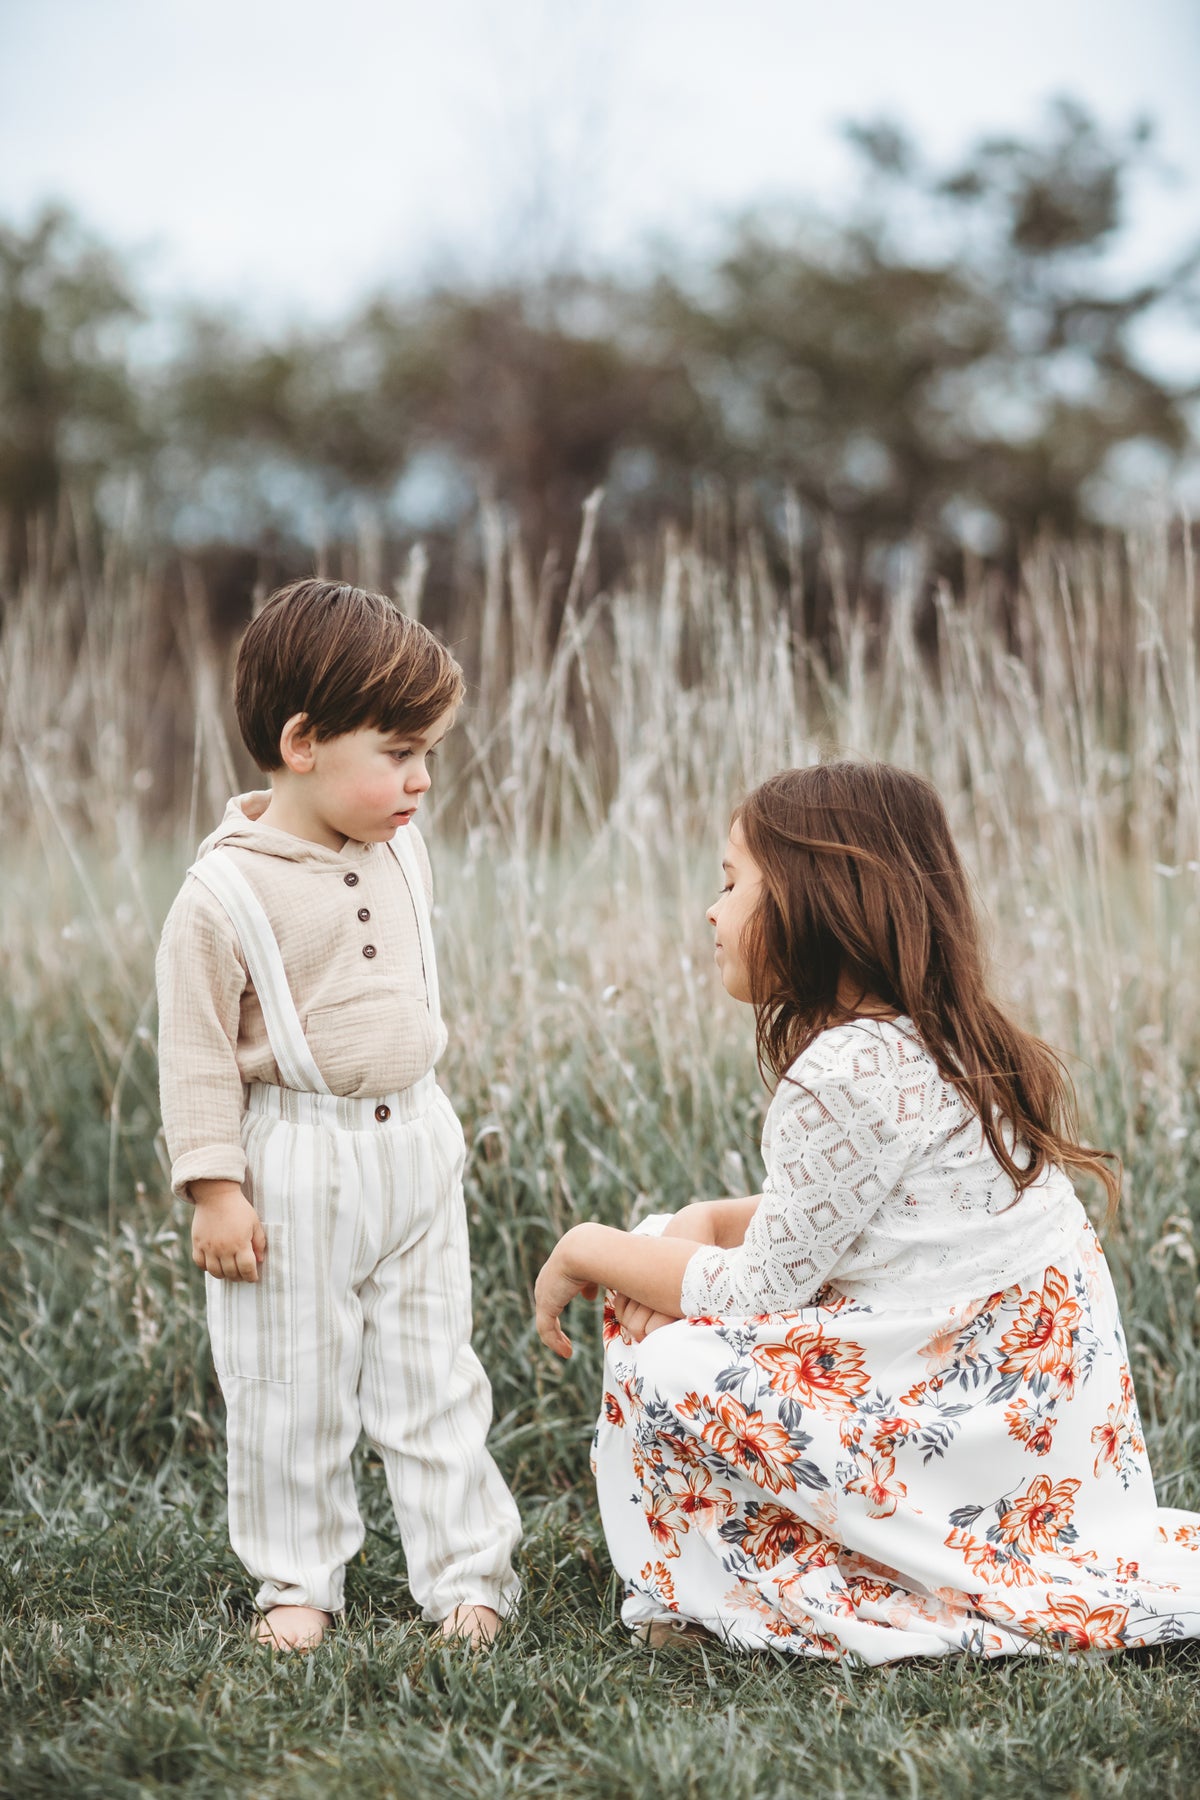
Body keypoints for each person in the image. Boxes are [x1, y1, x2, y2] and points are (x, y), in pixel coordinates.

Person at [534, 761, 1200, 1659]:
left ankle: (737, 1591)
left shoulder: (842, 1073)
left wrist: (583, 1246)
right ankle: (771, 1559)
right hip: (1021, 1400)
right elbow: (861, 1222)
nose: (711, 912)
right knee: (657, 1250)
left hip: (974, 1409)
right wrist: (698, 1218)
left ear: (813, 900)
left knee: (665, 1357)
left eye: (731, 884)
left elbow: (756, 1292)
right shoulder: (938, 1034)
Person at [157, 578, 521, 1652]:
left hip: (416, 1146)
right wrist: (215, 1189)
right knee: (288, 1384)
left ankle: (467, 1577)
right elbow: (194, 1052)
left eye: (429, 754)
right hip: (294, 1165)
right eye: (399, 752)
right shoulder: (222, 895)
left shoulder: (400, 845)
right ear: (303, 742)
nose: (421, 779)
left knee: (434, 1374)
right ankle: (297, 1584)